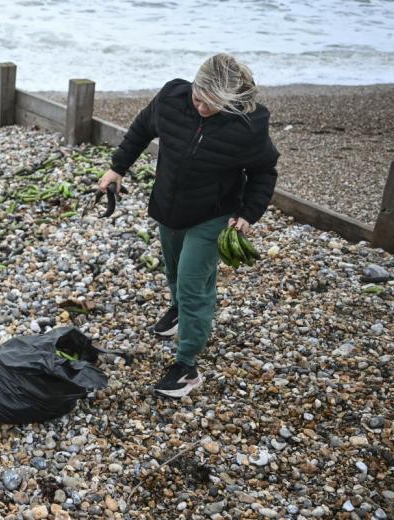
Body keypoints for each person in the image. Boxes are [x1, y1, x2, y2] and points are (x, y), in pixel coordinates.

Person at [99, 53, 279, 398]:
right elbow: (140, 129)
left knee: (193, 285)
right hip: (169, 208)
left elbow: (264, 171)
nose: (202, 108)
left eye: (212, 104)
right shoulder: (171, 99)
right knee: (174, 272)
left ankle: (187, 366)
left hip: (214, 215)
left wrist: (248, 213)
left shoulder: (247, 126)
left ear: (228, 100)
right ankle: (180, 310)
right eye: (198, 98)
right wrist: (117, 168)